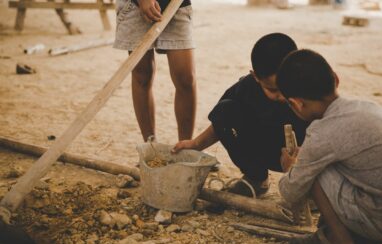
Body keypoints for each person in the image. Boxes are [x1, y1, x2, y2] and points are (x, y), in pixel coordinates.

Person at [277, 49, 382, 244]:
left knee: (314, 172)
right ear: (335, 78)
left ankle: (341, 241)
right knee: (325, 164)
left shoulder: (322, 132)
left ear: (296, 103)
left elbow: (290, 191)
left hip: (381, 221)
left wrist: (291, 167)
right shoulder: (365, 106)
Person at [173, 33, 309, 197]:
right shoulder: (247, 88)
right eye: (273, 90)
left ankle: (312, 188)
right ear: (255, 77)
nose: (282, 96)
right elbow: (221, 120)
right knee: (224, 110)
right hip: (271, 152)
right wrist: (195, 144)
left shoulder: (310, 88)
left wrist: (305, 161)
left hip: (307, 156)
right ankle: (256, 179)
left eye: (286, 86)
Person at [114, 0, 196, 141]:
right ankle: (150, 146)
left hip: (177, 5)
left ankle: (185, 148)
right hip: (134, 5)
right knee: (142, 76)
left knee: (186, 78)